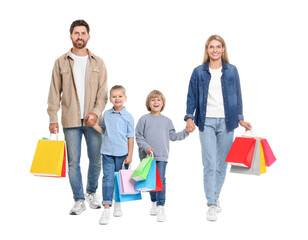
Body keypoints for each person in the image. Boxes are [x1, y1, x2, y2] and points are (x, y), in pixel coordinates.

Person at [185, 35, 252, 221]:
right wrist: (189, 117)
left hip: (227, 122)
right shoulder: (198, 72)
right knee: (209, 163)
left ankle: (215, 195)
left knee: (222, 163)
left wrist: (241, 119)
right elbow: (191, 96)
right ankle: (211, 203)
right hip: (205, 121)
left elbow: (238, 96)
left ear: (223, 49)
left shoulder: (232, 71)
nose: (215, 50)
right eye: (211, 47)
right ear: (207, 50)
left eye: (218, 47)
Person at [47, 20, 108, 215]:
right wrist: (52, 118)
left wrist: (95, 113)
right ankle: (79, 199)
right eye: (76, 33)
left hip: (93, 121)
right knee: (73, 162)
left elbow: (103, 94)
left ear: (88, 36)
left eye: (83, 33)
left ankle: (91, 192)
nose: (79, 36)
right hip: (70, 120)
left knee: (96, 159)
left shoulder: (98, 62)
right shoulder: (61, 62)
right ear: (71, 36)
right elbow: (54, 92)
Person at [135, 90, 192, 222]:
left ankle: (161, 206)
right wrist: (146, 147)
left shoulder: (167, 121)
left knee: (160, 180)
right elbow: (139, 136)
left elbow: (173, 136)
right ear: (148, 103)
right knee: (150, 181)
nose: (156, 102)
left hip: (162, 156)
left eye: (158, 100)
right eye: (153, 100)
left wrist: (186, 132)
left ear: (163, 103)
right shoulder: (143, 119)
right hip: (147, 158)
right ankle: (154, 202)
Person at [92, 85, 134, 225]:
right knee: (107, 179)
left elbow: (130, 137)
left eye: (120, 96)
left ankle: (118, 203)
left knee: (120, 180)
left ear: (125, 98)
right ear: (110, 99)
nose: (117, 99)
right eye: (114, 96)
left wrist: (130, 155)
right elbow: (104, 130)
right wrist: (93, 125)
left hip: (122, 154)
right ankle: (106, 208)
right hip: (107, 153)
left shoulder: (128, 117)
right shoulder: (107, 115)